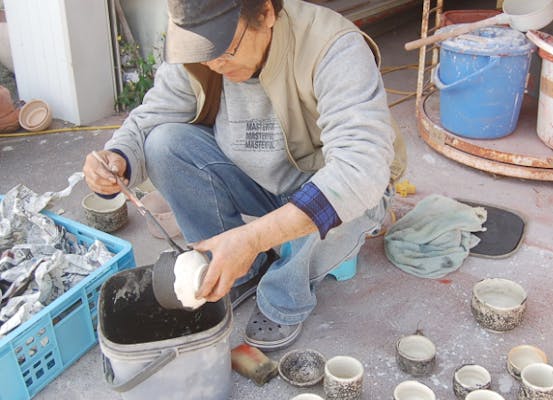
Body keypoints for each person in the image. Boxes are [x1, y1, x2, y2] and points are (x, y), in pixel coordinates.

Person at [83, 0, 406, 351]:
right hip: (259, 178)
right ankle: (237, 268)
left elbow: (360, 169)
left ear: (266, 13)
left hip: (319, 183)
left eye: (225, 48)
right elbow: (154, 114)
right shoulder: (202, 49)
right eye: (202, 51)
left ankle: (284, 296)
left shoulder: (333, 47)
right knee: (163, 143)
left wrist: (253, 237)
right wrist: (118, 156)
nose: (213, 63)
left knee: (346, 197)